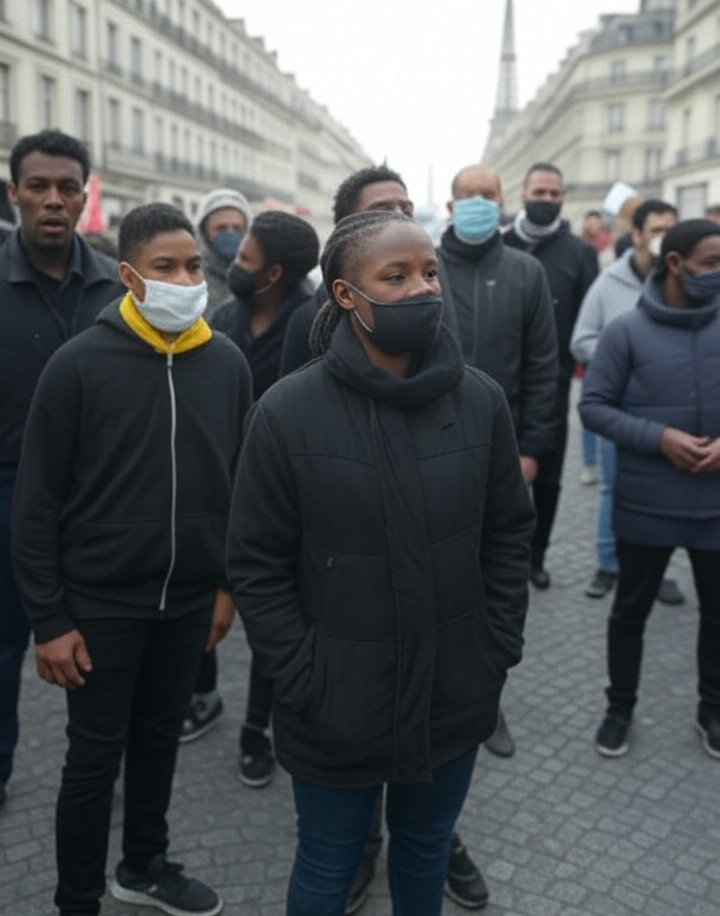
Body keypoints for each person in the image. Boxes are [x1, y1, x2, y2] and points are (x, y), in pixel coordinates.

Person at [227, 209, 535, 916]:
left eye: (428, 272)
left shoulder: (480, 401)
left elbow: (508, 535)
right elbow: (256, 563)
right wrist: (303, 675)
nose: (421, 288)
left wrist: (495, 649)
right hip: (333, 703)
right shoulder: (285, 412)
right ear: (344, 296)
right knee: (329, 862)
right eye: (393, 277)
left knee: (426, 850)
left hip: (453, 691)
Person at [12, 202, 253, 916]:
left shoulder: (227, 363)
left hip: (188, 601)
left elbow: (240, 485)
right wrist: (49, 619)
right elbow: (35, 504)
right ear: (128, 276)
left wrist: (225, 588)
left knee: (160, 741)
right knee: (92, 761)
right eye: (165, 267)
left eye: (193, 266)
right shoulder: (78, 364)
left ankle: (145, 866)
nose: (185, 278)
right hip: (101, 606)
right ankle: (76, 899)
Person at [0, 129, 123, 812]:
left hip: (97, 499)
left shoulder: (114, 287)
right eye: (39, 185)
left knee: (105, 642)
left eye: (67, 187)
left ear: (84, 195)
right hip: (7, 488)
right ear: (15, 191)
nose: (53, 199)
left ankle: (100, 776)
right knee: (3, 647)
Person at [181, 212, 320, 791]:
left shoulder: (313, 323)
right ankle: (201, 693)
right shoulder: (223, 317)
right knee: (199, 604)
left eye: (245, 260)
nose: (234, 263)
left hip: (280, 495)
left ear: (276, 274)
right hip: (215, 489)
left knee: (269, 619)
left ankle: (257, 732)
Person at [579, 219, 720, 760]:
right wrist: (659, 438)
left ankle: (712, 710)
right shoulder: (626, 331)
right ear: (676, 263)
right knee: (629, 612)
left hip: (714, 504)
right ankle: (619, 708)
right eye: (711, 263)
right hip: (646, 502)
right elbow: (593, 408)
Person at [437, 162, 557, 767]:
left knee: (496, 577)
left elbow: (543, 366)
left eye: (489, 195)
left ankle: (488, 697)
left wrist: (532, 450)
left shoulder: (525, 272)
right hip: (432, 448)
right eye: (468, 196)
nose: (479, 203)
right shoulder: (426, 267)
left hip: (506, 454)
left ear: (502, 201)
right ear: (451, 204)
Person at [571, 200, 686, 607]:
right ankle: (608, 565)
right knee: (611, 487)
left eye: (671, 229)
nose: (664, 237)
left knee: (671, 492)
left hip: (672, 413)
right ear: (635, 234)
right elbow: (580, 340)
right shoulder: (608, 283)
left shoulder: (685, 281)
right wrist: (628, 354)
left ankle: (660, 573)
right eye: (656, 229)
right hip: (620, 411)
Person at [504, 162, 598, 589]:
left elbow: (586, 323)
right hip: (496, 383)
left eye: (554, 194)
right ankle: (495, 557)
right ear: (522, 193)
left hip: (553, 385)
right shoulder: (499, 243)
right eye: (539, 192)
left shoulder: (580, 253)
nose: (546, 200)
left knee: (548, 478)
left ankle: (534, 557)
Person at [280, 164, 414, 375]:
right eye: (383, 210)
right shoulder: (308, 319)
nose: (400, 217)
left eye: (406, 209)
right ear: (345, 224)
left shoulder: (432, 294)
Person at [196, 187, 252, 318]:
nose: (230, 234)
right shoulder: (192, 278)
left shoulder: (258, 277)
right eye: (221, 228)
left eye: (237, 228)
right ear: (204, 232)